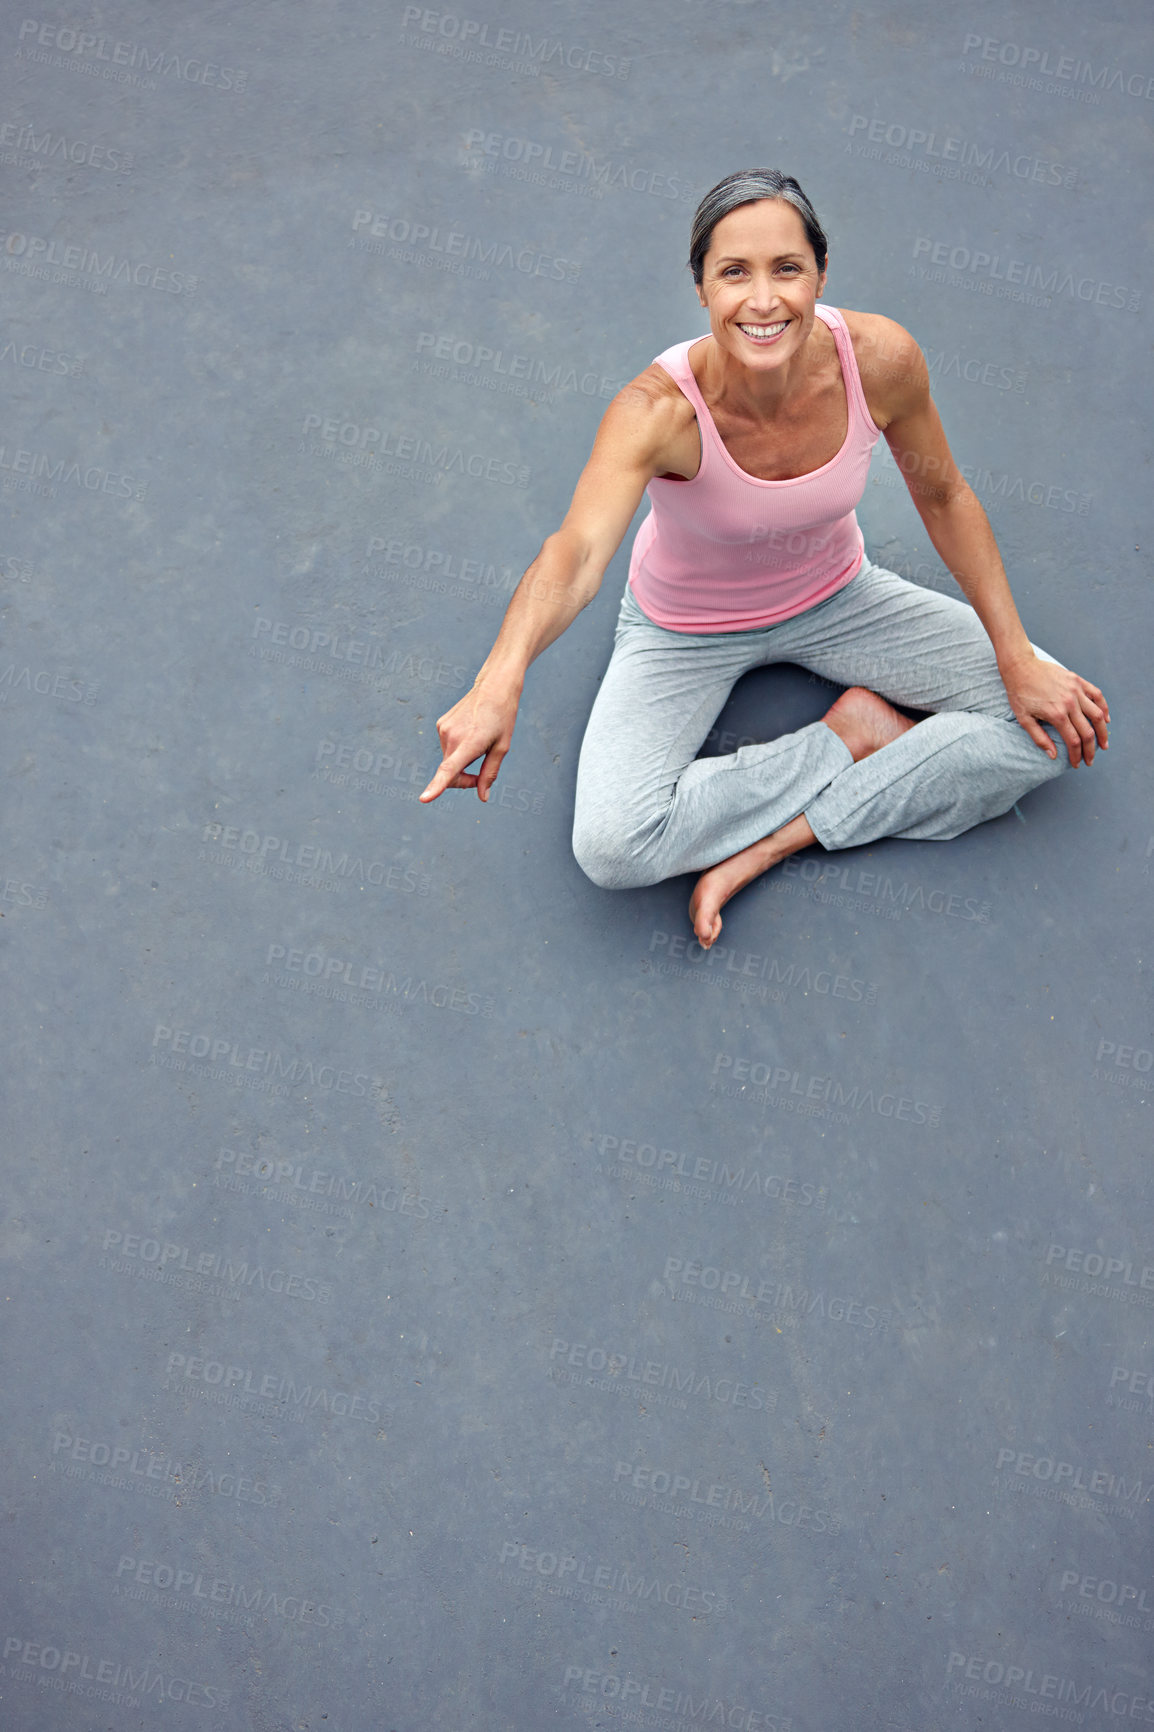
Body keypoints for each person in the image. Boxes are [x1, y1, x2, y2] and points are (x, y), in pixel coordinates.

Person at [420, 169, 1109, 949]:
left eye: (787, 268)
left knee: (1051, 731)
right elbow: (575, 552)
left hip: (840, 597)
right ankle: (846, 740)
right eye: (734, 273)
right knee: (613, 848)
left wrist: (1015, 655)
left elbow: (945, 499)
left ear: (820, 274)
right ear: (701, 289)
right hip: (684, 628)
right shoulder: (657, 412)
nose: (763, 300)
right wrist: (497, 681)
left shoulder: (880, 360)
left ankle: (784, 838)